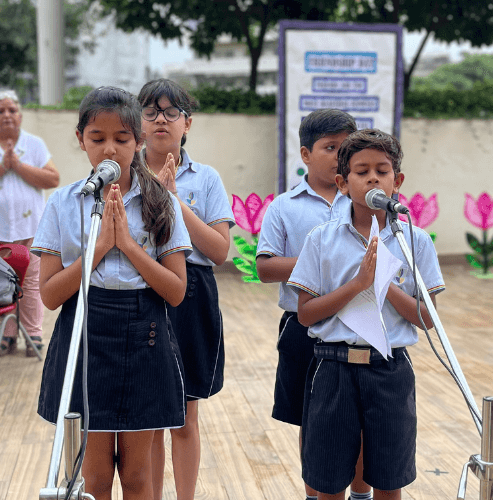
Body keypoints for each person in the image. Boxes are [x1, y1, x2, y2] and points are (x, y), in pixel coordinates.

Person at [31, 87, 192, 500]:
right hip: (84, 333)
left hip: (144, 334)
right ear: (81, 138)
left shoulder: (162, 203)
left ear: (139, 142)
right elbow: (49, 295)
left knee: (138, 476)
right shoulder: (64, 203)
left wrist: (129, 246)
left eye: (122, 139)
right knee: (94, 477)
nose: (109, 150)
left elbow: (175, 291)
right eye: (97, 138)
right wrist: (99, 247)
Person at [287, 129, 445, 500]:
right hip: (333, 369)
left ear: (397, 181)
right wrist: (358, 284)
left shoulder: (415, 240)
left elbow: (426, 317)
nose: (373, 178)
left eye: (382, 170)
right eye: (361, 172)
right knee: (328, 479)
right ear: (342, 183)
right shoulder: (321, 239)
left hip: (390, 370)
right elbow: (306, 314)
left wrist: (383, 284)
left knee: (389, 478)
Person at [256, 109, 373, 500]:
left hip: (361, 323)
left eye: (346, 149)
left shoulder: (364, 204)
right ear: (305, 154)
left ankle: (361, 493)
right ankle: (316, 493)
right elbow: (267, 267)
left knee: (361, 416)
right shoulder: (284, 207)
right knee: (315, 416)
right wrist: (321, 264)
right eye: (330, 148)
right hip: (303, 325)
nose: (339, 156)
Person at [138, 79, 234, 500]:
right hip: (141, 292)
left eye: (172, 112)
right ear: (138, 123)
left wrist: (175, 199)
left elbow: (218, 251)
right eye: (152, 111)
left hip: (192, 294)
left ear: (187, 124)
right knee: (150, 417)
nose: (162, 119)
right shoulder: (124, 171)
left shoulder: (207, 177)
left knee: (184, 413)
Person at [0, 88, 60, 357]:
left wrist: (16, 165)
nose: (7, 115)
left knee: (29, 282)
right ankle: (8, 334)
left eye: (12, 110)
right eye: (0, 110)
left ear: (20, 114)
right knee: (2, 282)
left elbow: (52, 179)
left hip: (31, 229)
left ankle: (34, 335)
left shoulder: (34, 144)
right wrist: (1, 167)